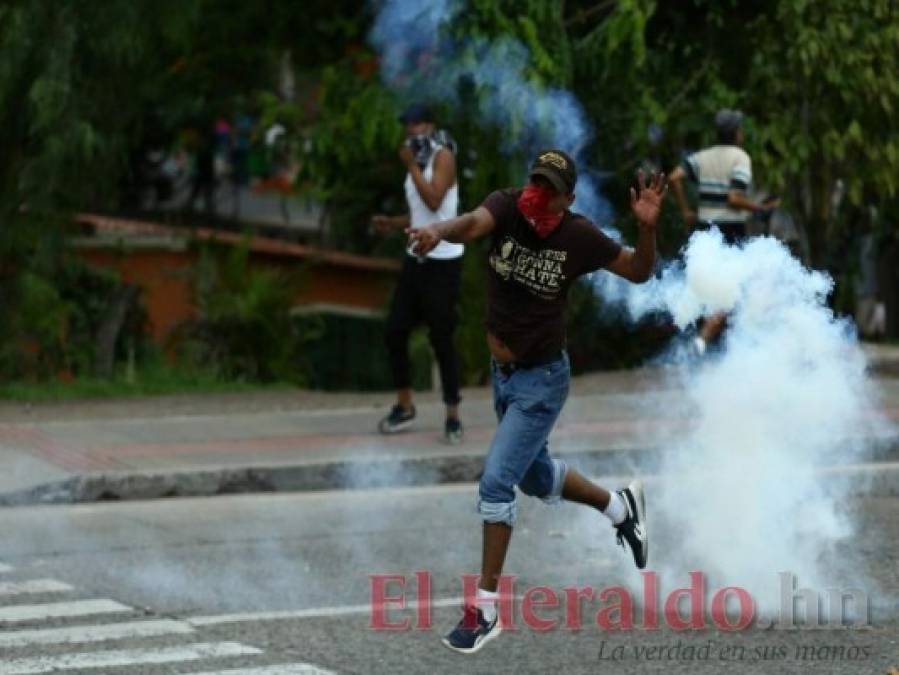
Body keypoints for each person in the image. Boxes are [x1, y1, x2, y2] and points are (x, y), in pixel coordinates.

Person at [407, 149, 665, 654]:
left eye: (552, 190)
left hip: (542, 382)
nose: (539, 196)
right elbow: (472, 222)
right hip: (505, 379)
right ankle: (620, 507)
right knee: (533, 476)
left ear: (569, 198)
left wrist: (648, 229)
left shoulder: (579, 236)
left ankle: (484, 609)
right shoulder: (507, 208)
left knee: (497, 481)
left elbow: (638, 270)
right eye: (535, 184)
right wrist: (438, 232)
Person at [371, 104, 465, 443]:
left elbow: (437, 201)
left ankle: (453, 415)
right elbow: (420, 214)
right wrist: (393, 224)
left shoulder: (443, 156)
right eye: (407, 125)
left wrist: (411, 166)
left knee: (441, 338)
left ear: (430, 125)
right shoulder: (417, 162)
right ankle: (405, 405)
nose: (412, 131)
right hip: (416, 257)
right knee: (395, 330)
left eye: (418, 124)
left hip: (443, 259)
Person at [668, 109, 778, 353]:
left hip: (706, 231)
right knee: (732, 290)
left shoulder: (702, 157)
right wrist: (758, 208)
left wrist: (686, 211)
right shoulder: (740, 158)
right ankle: (704, 340)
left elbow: (674, 178)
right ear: (737, 133)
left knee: (716, 287)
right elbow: (734, 198)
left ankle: (714, 343)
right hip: (730, 232)